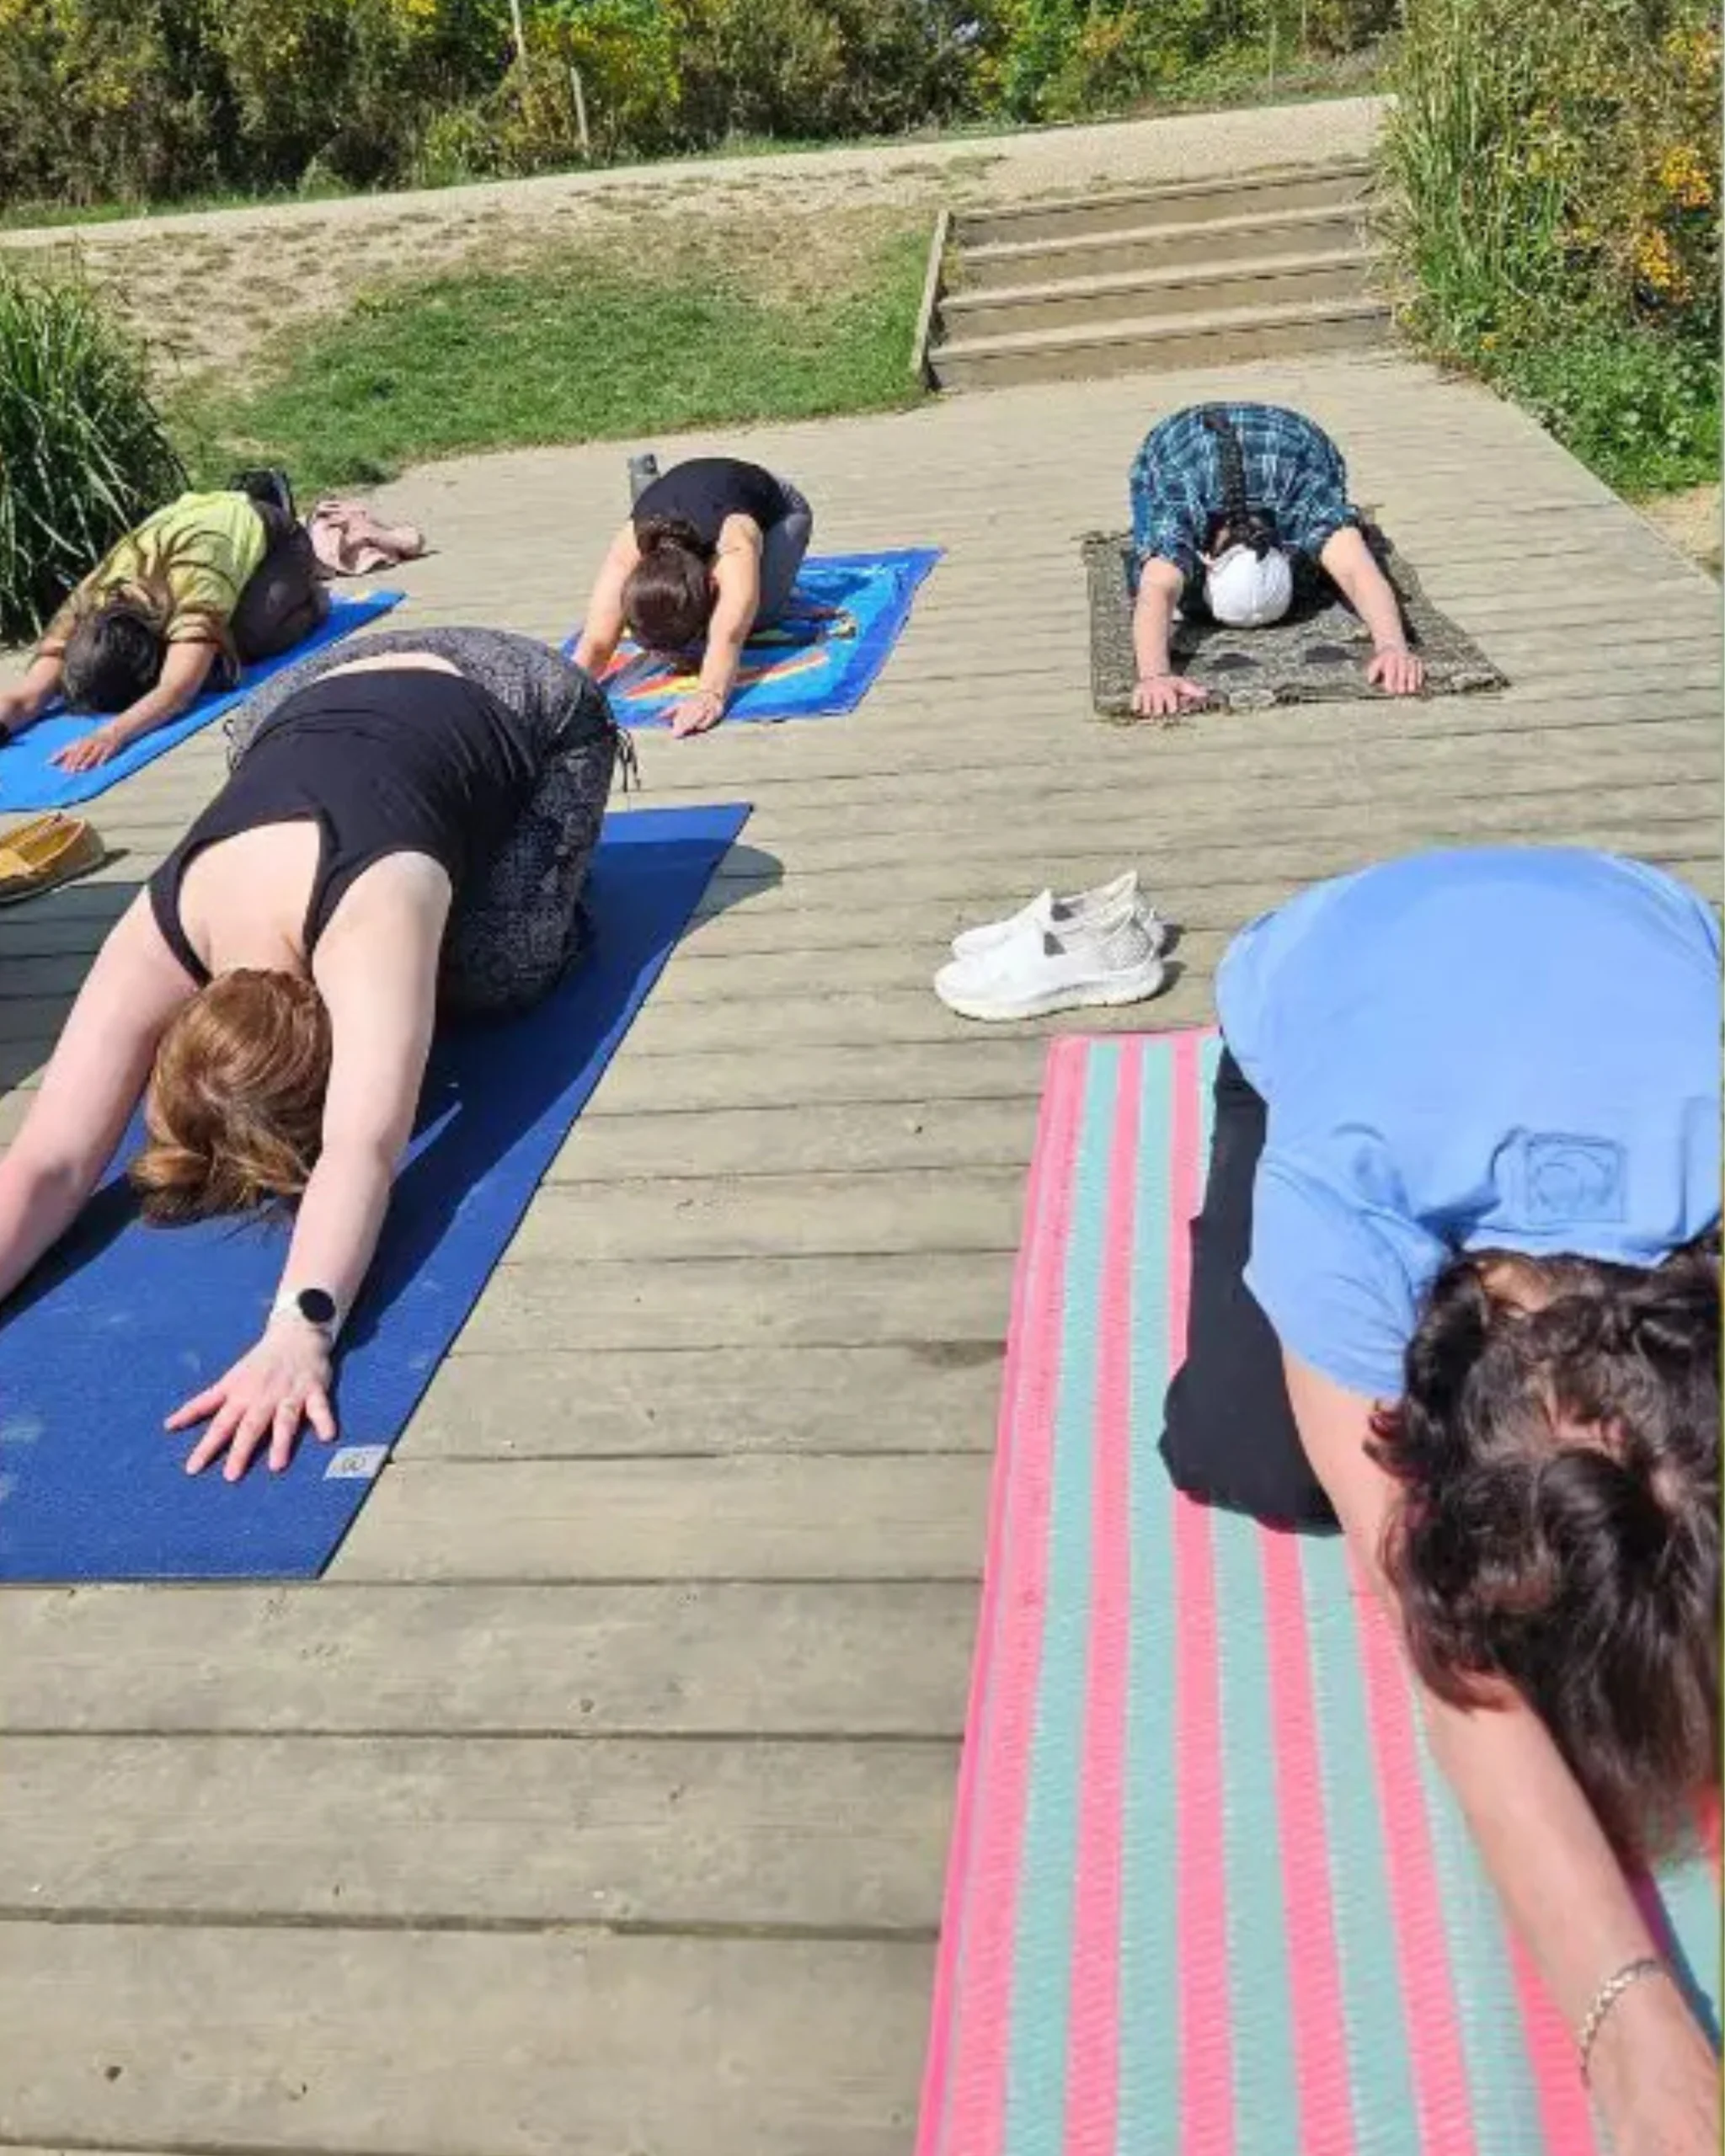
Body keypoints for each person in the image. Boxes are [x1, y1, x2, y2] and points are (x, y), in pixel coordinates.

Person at [1162, 845, 1720, 2155]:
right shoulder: (1346, 1213)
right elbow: (1429, 1616)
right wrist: (1631, 2027)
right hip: (1333, 951)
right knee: (1246, 1450)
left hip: (1617, 911)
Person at [0, 627, 620, 1479]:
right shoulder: (160, 928)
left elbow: (363, 1149)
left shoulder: (371, 911)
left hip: (515, 690)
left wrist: (299, 1328)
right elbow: (48, 1159)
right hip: (293, 704)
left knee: (493, 981)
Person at [0, 482, 329, 775]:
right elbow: (26, 697)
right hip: (195, 522)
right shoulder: (89, 599)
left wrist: (113, 733)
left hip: (277, 540)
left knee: (242, 645)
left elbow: (176, 691)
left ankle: (312, 600)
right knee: (213, 648)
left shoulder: (197, 589)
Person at [1128, 402, 1427, 720]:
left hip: (1293, 439)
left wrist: (1393, 646)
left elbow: (1357, 571)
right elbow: (1157, 589)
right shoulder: (1180, 498)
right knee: (1151, 551)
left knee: (1341, 540)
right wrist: (1154, 676)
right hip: (1179, 438)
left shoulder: (1304, 495)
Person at [574, 455, 814, 736]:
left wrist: (710, 694)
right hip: (682, 499)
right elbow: (596, 643)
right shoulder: (630, 548)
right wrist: (561, 691)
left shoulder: (733, 546)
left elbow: (729, 636)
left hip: (778, 508)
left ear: (712, 584)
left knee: (759, 616)